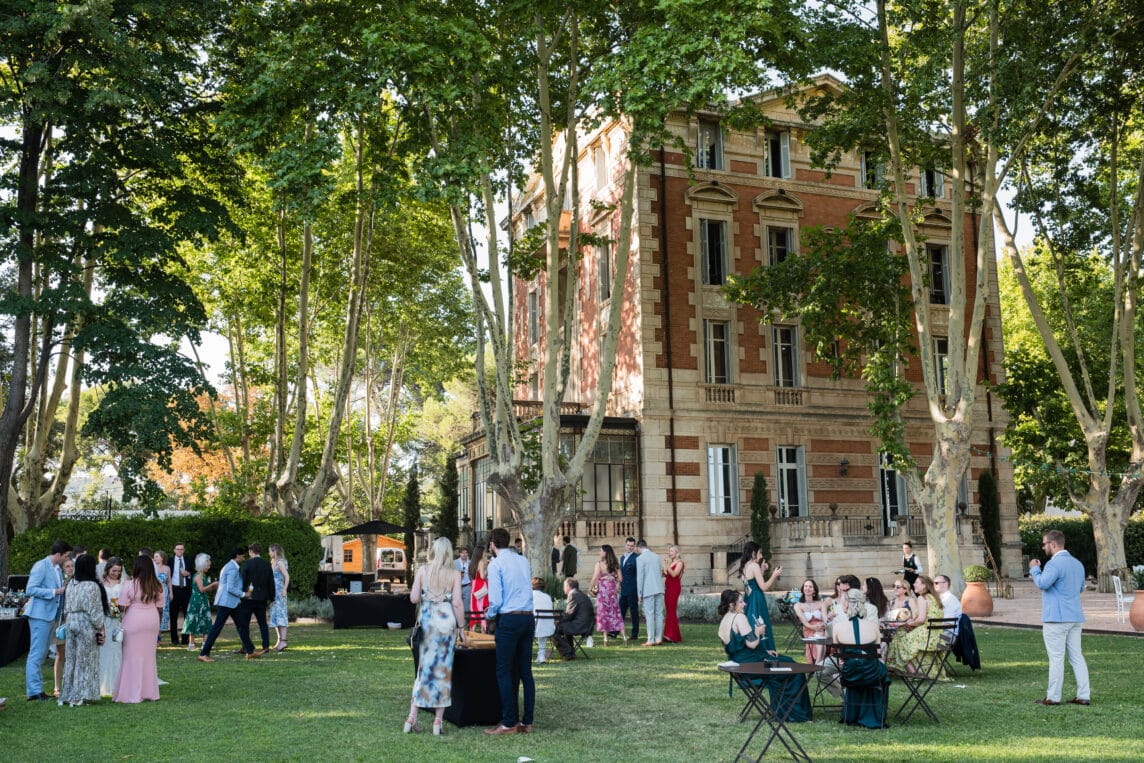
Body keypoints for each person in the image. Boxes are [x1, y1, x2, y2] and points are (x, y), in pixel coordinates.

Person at [716, 589, 811, 723]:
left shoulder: (724, 620)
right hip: (753, 665)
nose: (744, 604)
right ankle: (793, 714)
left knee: (785, 662)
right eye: (741, 602)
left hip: (740, 664)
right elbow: (752, 644)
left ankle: (783, 710)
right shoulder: (739, 617)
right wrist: (758, 631)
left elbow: (740, 648)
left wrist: (765, 652)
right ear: (732, 605)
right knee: (793, 667)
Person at [405, 537, 466, 735]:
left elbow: (414, 598)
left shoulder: (423, 570)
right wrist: (462, 628)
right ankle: (437, 723)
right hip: (446, 624)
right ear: (449, 553)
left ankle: (411, 717)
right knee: (443, 672)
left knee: (423, 670)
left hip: (428, 623)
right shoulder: (455, 574)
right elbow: (457, 603)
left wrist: (426, 594)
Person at [483, 527, 535, 736]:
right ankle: (527, 721)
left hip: (510, 618)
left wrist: (489, 614)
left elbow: (495, 599)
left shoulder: (496, 564)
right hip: (528, 617)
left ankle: (509, 722)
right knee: (525, 672)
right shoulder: (523, 560)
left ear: (492, 545)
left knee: (503, 671)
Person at [1030, 529, 1090, 706]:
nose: (1043, 548)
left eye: (1044, 544)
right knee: (1076, 656)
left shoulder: (1053, 564)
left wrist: (1034, 569)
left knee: (1056, 658)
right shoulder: (1077, 564)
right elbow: (1080, 588)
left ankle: (1053, 697)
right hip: (1075, 616)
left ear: (1053, 544)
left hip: (1056, 618)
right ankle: (1084, 695)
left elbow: (1042, 583)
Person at [833, 588, 888, 728]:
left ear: (846, 605)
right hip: (872, 675)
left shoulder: (837, 627)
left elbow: (839, 652)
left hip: (850, 675)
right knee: (880, 670)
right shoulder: (874, 626)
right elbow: (875, 650)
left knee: (855, 666)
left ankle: (852, 713)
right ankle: (872, 713)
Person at [59, 554, 108, 707]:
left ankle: (66, 694)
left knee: (71, 660)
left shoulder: (71, 584)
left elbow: (66, 607)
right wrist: (100, 626)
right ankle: (80, 695)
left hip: (71, 621)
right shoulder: (92, 586)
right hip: (85, 624)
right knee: (85, 660)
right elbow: (95, 611)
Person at [114, 554, 164, 703]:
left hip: (134, 620)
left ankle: (131, 692)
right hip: (152, 619)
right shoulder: (158, 585)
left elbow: (122, 605)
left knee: (131, 657)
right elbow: (160, 607)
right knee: (149, 657)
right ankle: (149, 692)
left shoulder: (130, 584)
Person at [25, 540, 70, 701]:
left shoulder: (57, 569)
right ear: (58, 555)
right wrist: (55, 591)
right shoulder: (41, 566)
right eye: (65, 556)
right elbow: (30, 589)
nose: (66, 559)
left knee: (42, 653)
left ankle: (37, 690)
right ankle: (34, 691)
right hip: (39, 615)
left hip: (51, 615)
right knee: (36, 653)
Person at [885, 574, 943, 673]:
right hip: (938, 635)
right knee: (899, 638)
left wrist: (907, 624)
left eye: (916, 583)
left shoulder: (922, 598)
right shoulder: (933, 597)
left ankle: (913, 673)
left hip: (926, 634)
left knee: (900, 642)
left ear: (924, 585)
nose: (914, 584)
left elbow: (921, 619)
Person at [198, 547, 246, 662]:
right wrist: (243, 594)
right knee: (217, 628)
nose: (244, 557)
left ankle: (250, 650)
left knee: (242, 625)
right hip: (226, 602)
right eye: (243, 555)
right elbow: (230, 588)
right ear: (238, 555)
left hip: (230, 602)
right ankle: (204, 653)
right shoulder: (232, 568)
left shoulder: (230, 566)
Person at [739, 541, 782, 651]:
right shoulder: (754, 565)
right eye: (760, 553)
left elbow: (753, 583)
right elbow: (763, 587)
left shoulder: (745, 566)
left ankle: (751, 649)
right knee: (760, 624)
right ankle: (763, 651)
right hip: (757, 599)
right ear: (754, 553)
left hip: (748, 599)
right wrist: (774, 575)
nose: (761, 556)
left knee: (751, 623)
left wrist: (762, 570)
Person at [236, 542, 274, 658]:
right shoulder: (267, 564)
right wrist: (272, 597)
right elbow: (270, 582)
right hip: (262, 598)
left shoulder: (247, 564)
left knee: (245, 623)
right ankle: (266, 646)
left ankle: (245, 646)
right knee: (262, 623)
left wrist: (241, 595)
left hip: (248, 598)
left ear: (251, 551)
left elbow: (243, 581)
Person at [100, 558, 126, 696]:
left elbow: (125, 602)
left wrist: (117, 609)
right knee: (104, 649)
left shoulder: (123, 583)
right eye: (113, 570)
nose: (116, 573)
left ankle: (118, 681)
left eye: (119, 571)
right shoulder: (101, 583)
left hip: (117, 619)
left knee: (116, 649)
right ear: (108, 569)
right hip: (104, 620)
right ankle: (103, 681)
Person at [182, 553, 217, 652]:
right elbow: (201, 589)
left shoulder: (203, 575)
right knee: (193, 620)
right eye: (208, 565)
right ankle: (191, 643)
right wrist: (213, 584)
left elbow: (205, 589)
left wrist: (213, 587)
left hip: (203, 601)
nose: (209, 567)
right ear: (202, 565)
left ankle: (205, 643)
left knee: (205, 620)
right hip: (197, 602)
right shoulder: (198, 576)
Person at [554, 578, 595, 660]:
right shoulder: (580, 594)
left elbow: (569, 615)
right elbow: (571, 615)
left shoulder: (573, 594)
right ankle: (570, 652)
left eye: (564, 586)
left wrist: (556, 620)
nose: (563, 588)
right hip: (586, 626)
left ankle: (567, 653)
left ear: (568, 586)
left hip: (580, 626)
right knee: (562, 626)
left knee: (552, 629)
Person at [52, 555, 76, 697]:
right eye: (67, 566)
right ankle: (57, 687)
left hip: (76, 621)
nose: (70, 568)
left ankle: (73, 684)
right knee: (61, 654)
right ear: (62, 569)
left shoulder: (79, 581)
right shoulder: (60, 582)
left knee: (75, 654)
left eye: (72, 566)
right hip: (62, 620)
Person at [590, 544, 624, 642]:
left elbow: (595, 577)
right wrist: (615, 580)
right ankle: (624, 636)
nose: (599, 552)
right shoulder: (615, 563)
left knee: (603, 613)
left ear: (605, 552)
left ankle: (605, 638)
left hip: (603, 591)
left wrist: (590, 588)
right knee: (615, 612)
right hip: (612, 591)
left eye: (601, 550)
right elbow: (620, 578)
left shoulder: (599, 564)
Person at [636, 539, 665, 646]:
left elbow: (640, 577)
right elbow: (659, 572)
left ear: (639, 548)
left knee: (649, 615)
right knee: (659, 614)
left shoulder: (640, 558)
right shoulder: (656, 556)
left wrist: (639, 593)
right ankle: (658, 638)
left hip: (648, 589)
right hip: (659, 588)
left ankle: (651, 640)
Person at [794, 578, 827, 663]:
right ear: (803, 589)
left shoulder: (820, 603)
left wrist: (822, 625)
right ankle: (820, 661)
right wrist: (815, 628)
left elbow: (825, 619)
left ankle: (818, 661)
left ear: (814, 590)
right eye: (805, 586)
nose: (807, 588)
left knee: (822, 633)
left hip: (821, 628)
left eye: (810, 587)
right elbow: (805, 623)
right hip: (809, 629)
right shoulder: (798, 605)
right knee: (821, 634)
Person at [168, 542, 193, 646]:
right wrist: (170, 592)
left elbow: (193, 572)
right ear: (174, 550)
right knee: (173, 616)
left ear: (184, 550)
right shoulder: (170, 561)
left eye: (181, 549)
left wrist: (188, 574)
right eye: (178, 549)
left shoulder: (188, 560)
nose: (179, 551)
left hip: (186, 590)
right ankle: (174, 639)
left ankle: (185, 639)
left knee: (187, 615)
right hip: (174, 590)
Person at [268, 544, 291, 652]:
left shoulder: (280, 562)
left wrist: (284, 589)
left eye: (270, 551)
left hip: (280, 593)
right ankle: (279, 640)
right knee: (276, 616)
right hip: (274, 593)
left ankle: (284, 641)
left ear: (275, 551)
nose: (269, 553)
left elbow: (287, 576)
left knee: (281, 615)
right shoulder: (273, 562)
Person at [619, 537, 640, 641]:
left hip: (633, 589)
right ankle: (615, 631)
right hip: (623, 589)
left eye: (632, 546)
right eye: (628, 545)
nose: (630, 547)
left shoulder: (637, 557)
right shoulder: (622, 557)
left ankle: (634, 634)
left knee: (634, 612)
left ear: (634, 546)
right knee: (620, 611)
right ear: (625, 545)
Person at [663, 545, 684, 643]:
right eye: (669, 551)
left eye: (671, 551)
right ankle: (668, 634)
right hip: (668, 588)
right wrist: (663, 572)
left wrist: (667, 566)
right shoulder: (671, 562)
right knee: (669, 611)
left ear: (676, 552)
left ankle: (672, 636)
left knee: (671, 611)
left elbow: (674, 574)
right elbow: (668, 575)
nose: (669, 553)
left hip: (674, 589)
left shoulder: (680, 562)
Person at [531, 578, 555, 663]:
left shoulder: (530, 595)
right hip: (549, 627)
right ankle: (541, 655)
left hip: (534, 627)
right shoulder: (547, 597)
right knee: (541, 624)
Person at [153, 550, 171, 642]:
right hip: (155, 593)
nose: (154, 558)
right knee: (154, 614)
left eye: (156, 556)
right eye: (154, 556)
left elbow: (169, 581)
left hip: (165, 593)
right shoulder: (152, 567)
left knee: (163, 614)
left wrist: (171, 593)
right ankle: (153, 637)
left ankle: (159, 638)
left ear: (162, 558)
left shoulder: (167, 568)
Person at [469, 546, 489, 631]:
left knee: (474, 611)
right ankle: (483, 635)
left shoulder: (472, 562)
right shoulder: (481, 562)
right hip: (481, 587)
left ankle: (471, 634)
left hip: (474, 586)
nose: (485, 553)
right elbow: (482, 576)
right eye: (484, 551)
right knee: (482, 610)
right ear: (480, 553)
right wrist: (488, 570)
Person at [455, 547, 472, 612]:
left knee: (466, 606)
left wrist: (471, 582)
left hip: (467, 586)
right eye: (462, 553)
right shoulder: (454, 562)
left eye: (465, 552)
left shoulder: (470, 562)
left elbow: (473, 574)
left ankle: (465, 621)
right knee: (457, 605)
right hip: (457, 587)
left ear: (467, 554)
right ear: (459, 554)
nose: (464, 554)